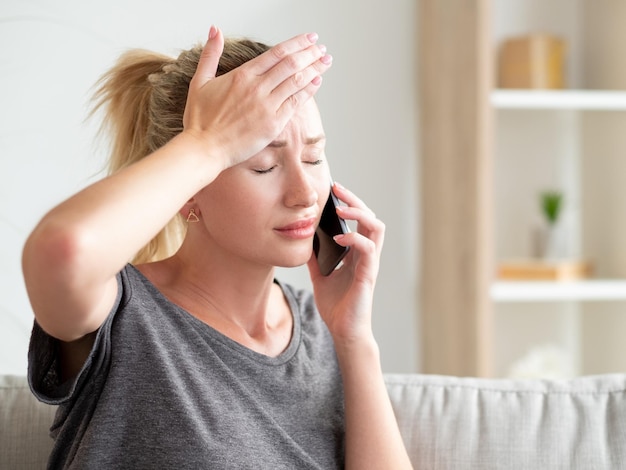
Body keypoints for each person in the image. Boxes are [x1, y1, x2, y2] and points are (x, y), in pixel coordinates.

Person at [22, 26, 412, 469]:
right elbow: (62, 250)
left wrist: (355, 339)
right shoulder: (123, 315)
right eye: (264, 165)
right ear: (189, 189)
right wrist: (208, 142)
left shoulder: (324, 328)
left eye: (313, 158)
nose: (305, 193)